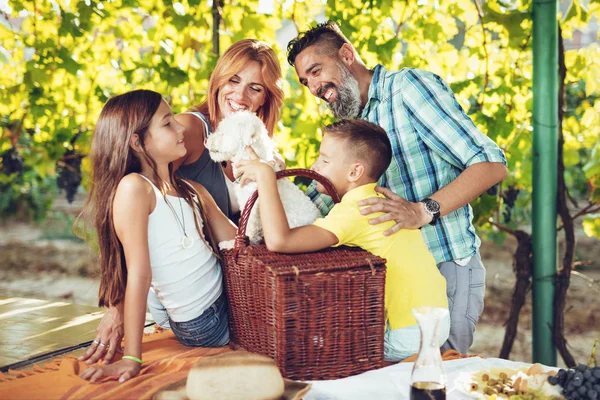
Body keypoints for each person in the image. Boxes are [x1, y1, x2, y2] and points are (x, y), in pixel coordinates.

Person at [286, 21, 508, 354]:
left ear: (346, 55)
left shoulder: (406, 89)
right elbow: (321, 199)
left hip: (441, 270)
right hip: (386, 291)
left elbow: (490, 164)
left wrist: (422, 210)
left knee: (435, 385)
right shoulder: (349, 130)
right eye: (306, 82)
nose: (314, 87)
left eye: (316, 71)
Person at [80, 39, 284, 366]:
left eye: (255, 88)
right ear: (217, 80)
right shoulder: (187, 132)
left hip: (221, 275)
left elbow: (242, 234)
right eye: (233, 80)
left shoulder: (260, 151)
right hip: (193, 292)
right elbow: (129, 208)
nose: (241, 95)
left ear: (266, 97)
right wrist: (116, 309)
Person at [236, 119, 449, 361]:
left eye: (324, 160)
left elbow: (280, 242)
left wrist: (265, 176)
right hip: (435, 316)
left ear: (354, 172)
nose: (314, 166)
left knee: (316, 347)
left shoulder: (357, 210)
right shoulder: (377, 200)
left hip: (407, 330)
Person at [78, 90, 237, 383]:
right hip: (207, 321)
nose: (180, 128)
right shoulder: (135, 188)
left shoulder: (189, 190)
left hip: (210, 306)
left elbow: (242, 245)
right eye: (167, 124)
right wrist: (132, 358)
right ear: (137, 142)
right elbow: (139, 274)